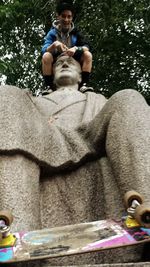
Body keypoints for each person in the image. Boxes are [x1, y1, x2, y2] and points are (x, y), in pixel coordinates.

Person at [0, 56, 150, 266]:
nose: (64, 63)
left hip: (88, 136)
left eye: (71, 63)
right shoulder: (31, 101)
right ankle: (10, 235)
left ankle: (146, 211)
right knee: (6, 94)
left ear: (81, 76)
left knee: (129, 98)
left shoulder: (97, 101)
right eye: (59, 62)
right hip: (43, 138)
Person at [41, 1, 92, 91]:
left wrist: (76, 48)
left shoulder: (76, 33)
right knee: (46, 56)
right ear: (58, 16)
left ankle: (84, 84)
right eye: (63, 16)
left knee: (88, 55)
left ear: (72, 18)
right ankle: (48, 86)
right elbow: (44, 50)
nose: (66, 19)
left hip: (73, 58)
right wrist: (55, 45)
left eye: (69, 17)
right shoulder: (52, 33)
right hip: (57, 59)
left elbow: (87, 46)